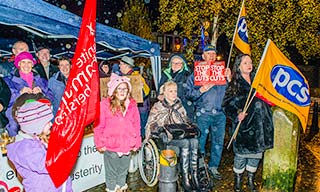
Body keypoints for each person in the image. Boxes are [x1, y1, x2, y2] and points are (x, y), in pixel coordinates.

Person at [222, 54, 274, 192]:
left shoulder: (259, 81)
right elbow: (226, 105)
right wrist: (237, 114)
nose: (249, 65)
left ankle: (251, 179)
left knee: (256, 154)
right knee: (241, 155)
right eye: (245, 62)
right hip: (244, 126)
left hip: (260, 125)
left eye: (250, 62)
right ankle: (238, 179)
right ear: (238, 66)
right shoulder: (235, 83)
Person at [185, 44, 231, 180]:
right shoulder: (196, 74)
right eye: (208, 53)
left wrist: (229, 78)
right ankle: (199, 166)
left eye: (213, 53)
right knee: (200, 141)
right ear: (203, 56)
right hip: (203, 114)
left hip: (220, 114)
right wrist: (200, 90)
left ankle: (213, 167)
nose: (211, 56)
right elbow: (188, 94)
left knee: (218, 141)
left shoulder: (221, 72)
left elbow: (231, 92)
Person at [6, 100, 73, 192]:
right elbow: (48, 166)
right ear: (36, 126)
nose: (51, 124)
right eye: (47, 122)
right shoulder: (26, 149)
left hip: (59, 187)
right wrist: (66, 152)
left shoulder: (39, 139)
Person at [145, 81, 200, 191]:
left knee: (194, 141)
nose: (174, 93)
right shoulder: (158, 106)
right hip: (165, 138)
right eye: (170, 91)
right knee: (186, 143)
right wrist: (160, 129)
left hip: (179, 135)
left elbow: (185, 120)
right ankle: (185, 179)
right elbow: (150, 124)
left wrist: (191, 125)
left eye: (175, 91)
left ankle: (193, 175)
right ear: (164, 93)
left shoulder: (179, 105)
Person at [94, 73, 141, 192]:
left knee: (123, 171)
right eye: (119, 88)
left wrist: (136, 142)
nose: (122, 91)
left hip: (127, 144)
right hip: (111, 145)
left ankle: (121, 187)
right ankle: (111, 189)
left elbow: (137, 125)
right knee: (111, 173)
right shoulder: (104, 105)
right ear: (114, 91)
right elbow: (99, 125)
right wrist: (100, 143)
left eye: (125, 88)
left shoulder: (132, 106)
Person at [3, 51, 54, 136]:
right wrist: (19, 93)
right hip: (16, 122)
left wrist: (42, 92)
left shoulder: (40, 80)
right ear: (18, 64)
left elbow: (51, 97)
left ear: (32, 64)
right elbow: (5, 100)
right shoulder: (8, 80)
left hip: (37, 120)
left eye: (29, 62)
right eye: (23, 62)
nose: (26, 65)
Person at [119, 56, 150, 137]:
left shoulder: (136, 77)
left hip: (140, 110)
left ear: (126, 65)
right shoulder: (122, 77)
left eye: (121, 64)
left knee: (139, 132)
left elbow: (146, 92)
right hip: (130, 109)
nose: (119, 66)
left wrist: (140, 88)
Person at [158, 53, 194, 122]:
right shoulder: (165, 74)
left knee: (183, 129)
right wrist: (160, 95)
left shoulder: (188, 75)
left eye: (178, 63)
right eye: (173, 63)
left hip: (184, 108)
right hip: (166, 109)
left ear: (183, 64)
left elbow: (189, 93)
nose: (175, 65)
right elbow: (160, 88)